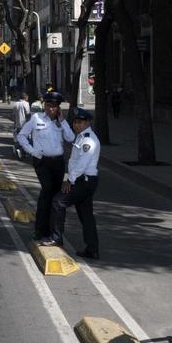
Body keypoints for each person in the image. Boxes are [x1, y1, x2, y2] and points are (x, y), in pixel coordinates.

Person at [16, 89, 75, 243]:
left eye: (54, 106)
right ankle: (40, 231)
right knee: (47, 191)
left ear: (58, 108)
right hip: (42, 161)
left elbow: (71, 137)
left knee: (55, 196)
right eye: (48, 105)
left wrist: (62, 121)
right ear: (44, 105)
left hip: (58, 162)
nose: (50, 109)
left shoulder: (61, 122)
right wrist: (32, 151)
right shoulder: (36, 118)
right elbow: (21, 135)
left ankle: (52, 232)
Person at [47, 107, 100, 258]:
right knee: (86, 215)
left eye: (80, 122)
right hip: (84, 180)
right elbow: (69, 139)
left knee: (58, 202)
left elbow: (82, 164)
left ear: (88, 122)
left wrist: (69, 180)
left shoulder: (88, 140)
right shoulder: (81, 136)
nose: (77, 125)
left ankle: (56, 238)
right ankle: (92, 249)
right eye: (75, 122)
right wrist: (62, 121)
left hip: (84, 181)